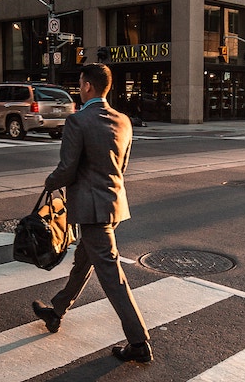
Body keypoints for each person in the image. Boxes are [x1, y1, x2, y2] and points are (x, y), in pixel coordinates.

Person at [32, 63, 152, 363]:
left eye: (80, 82)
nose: (79, 87)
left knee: (112, 276)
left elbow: (67, 169)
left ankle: (138, 342)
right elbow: (122, 166)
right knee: (83, 262)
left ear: (87, 86)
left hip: (91, 209)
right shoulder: (123, 120)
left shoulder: (78, 121)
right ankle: (56, 311)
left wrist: (50, 182)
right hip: (113, 204)